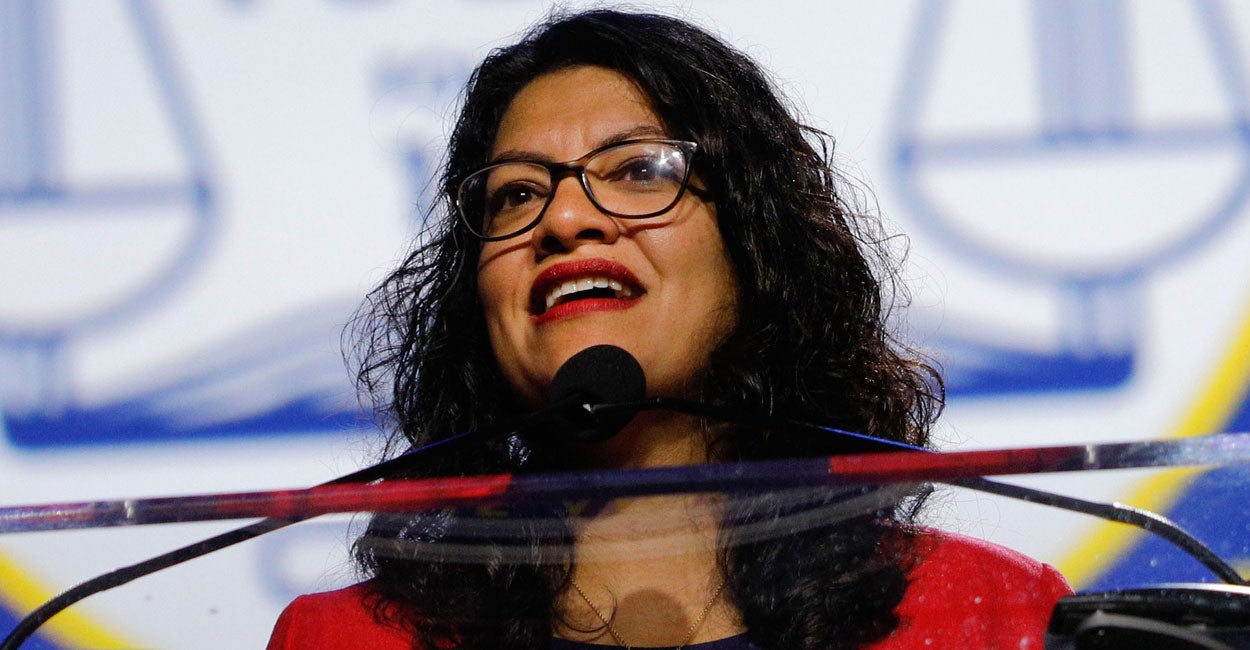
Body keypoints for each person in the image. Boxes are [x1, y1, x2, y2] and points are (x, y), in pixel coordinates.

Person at [268, 9, 1071, 650]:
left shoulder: (992, 615)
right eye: (516, 195)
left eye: (637, 170)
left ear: (756, 244)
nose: (564, 219)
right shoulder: (340, 641)